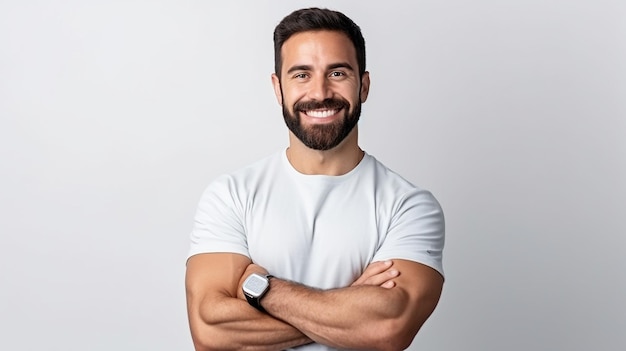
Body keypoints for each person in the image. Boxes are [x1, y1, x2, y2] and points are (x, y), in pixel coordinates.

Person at [185, 7, 445, 351]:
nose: (320, 92)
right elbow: (210, 332)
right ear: (278, 88)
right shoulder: (231, 195)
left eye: (337, 73)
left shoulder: (408, 205)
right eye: (301, 75)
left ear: (363, 85)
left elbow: (387, 329)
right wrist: (349, 307)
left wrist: (262, 289)